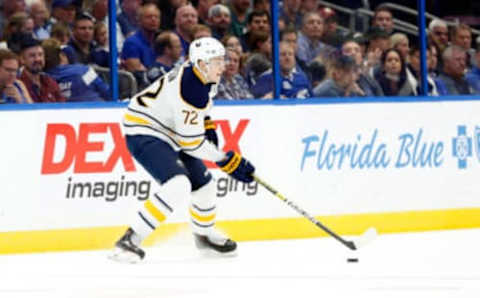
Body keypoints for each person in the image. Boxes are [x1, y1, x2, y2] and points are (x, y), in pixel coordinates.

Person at [110, 37, 256, 262]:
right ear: (202, 63)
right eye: (217, 61)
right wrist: (225, 160)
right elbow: (191, 143)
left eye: (221, 60)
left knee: (205, 186)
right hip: (144, 129)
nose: (222, 66)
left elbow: (204, 104)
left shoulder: (203, 74)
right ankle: (129, 241)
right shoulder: (189, 88)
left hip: (170, 129)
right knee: (179, 184)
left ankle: (204, 236)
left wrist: (207, 122)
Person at [42, 38, 111, 102]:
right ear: (61, 55)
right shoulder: (85, 71)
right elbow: (107, 93)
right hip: (96, 110)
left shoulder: (42, 79)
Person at [17, 35, 66, 102]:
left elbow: (62, 106)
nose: (38, 59)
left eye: (40, 54)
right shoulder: (17, 84)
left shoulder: (50, 81)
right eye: (32, 55)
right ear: (22, 59)